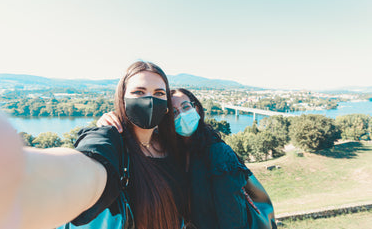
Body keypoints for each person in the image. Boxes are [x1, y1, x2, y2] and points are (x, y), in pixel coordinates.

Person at [0, 61, 187, 229]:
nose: (150, 100)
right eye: (138, 92)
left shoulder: (174, 146)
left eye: (159, 93)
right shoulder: (110, 141)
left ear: (167, 106)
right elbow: (87, 167)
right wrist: (21, 177)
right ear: (122, 100)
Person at [99, 88, 276, 229]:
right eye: (174, 112)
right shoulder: (172, 152)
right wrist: (109, 123)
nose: (182, 114)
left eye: (185, 107)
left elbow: (232, 218)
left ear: (196, 108)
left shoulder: (217, 153)